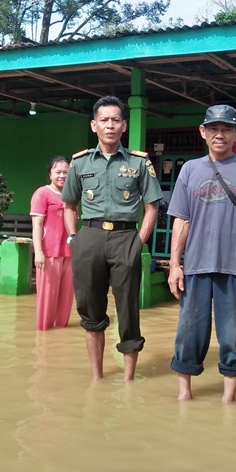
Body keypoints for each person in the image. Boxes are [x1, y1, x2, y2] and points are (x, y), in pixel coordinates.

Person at [168, 104, 236, 403]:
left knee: (233, 335)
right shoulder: (189, 169)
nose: (220, 134)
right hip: (196, 267)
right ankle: (184, 394)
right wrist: (176, 264)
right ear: (203, 131)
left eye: (227, 128)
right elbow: (181, 220)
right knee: (188, 333)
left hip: (235, 268)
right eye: (213, 128)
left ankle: (228, 400)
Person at [61, 95, 163, 381]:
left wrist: (138, 243)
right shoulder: (79, 163)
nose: (110, 126)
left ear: (124, 125)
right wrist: (74, 238)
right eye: (104, 120)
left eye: (115, 120)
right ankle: (97, 377)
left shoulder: (139, 163)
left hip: (125, 238)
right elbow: (69, 205)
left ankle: (129, 379)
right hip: (89, 238)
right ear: (94, 125)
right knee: (90, 311)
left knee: (128, 309)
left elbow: (152, 206)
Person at [30, 156, 73, 331]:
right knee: (48, 296)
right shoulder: (42, 193)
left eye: (66, 172)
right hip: (49, 252)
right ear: (50, 174)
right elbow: (37, 225)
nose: (62, 175)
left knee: (66, 297)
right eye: (58, 172)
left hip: (70, 252)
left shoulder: (72, 195)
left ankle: (62, 330)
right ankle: (44, 332)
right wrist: (38, 252)